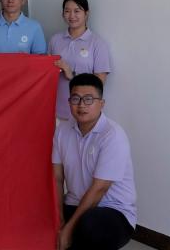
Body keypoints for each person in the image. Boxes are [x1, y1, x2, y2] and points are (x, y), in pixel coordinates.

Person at [53, 74, 136, 250]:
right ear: (69, 102)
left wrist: (68, 229)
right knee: (40, 214)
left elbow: (100, 188)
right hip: (75, 204)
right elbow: (57, 178)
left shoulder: (112, 135)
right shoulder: (62, 131)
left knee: (89, 225)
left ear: (101, 104)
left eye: (89, 99)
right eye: (76, 98)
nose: (82, 105)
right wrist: (59, 219)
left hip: (112, 211)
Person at [50, 0, 112, 122]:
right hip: (57, 111)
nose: (72, 15)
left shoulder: (97, 43)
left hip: (84, 113)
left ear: (86, 13)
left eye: (77, 11)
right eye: (67, 11)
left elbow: (99, 84)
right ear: (62, 14)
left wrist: (71, 75)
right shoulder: (55, 40)